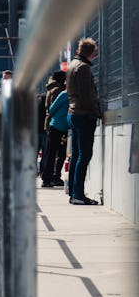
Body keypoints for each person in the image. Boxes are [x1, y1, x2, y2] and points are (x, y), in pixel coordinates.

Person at [66, 38, 100, 205]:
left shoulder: (73, 65)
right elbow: (87, 94)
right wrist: (96, 112)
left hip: (73, 112)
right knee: (85, 155)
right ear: (91, 52)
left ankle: (73, 191)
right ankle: (78, 194)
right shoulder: (84, 68)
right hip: (84, 114)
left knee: (77, 154)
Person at [40, 70, 66, 180]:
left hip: (51, 122)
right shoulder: (58, 90)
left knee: (50, 151)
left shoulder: (51, 88)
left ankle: (48, 176)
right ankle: (51, 176)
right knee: (55, 152)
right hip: (56, 123)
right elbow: (53, 108)